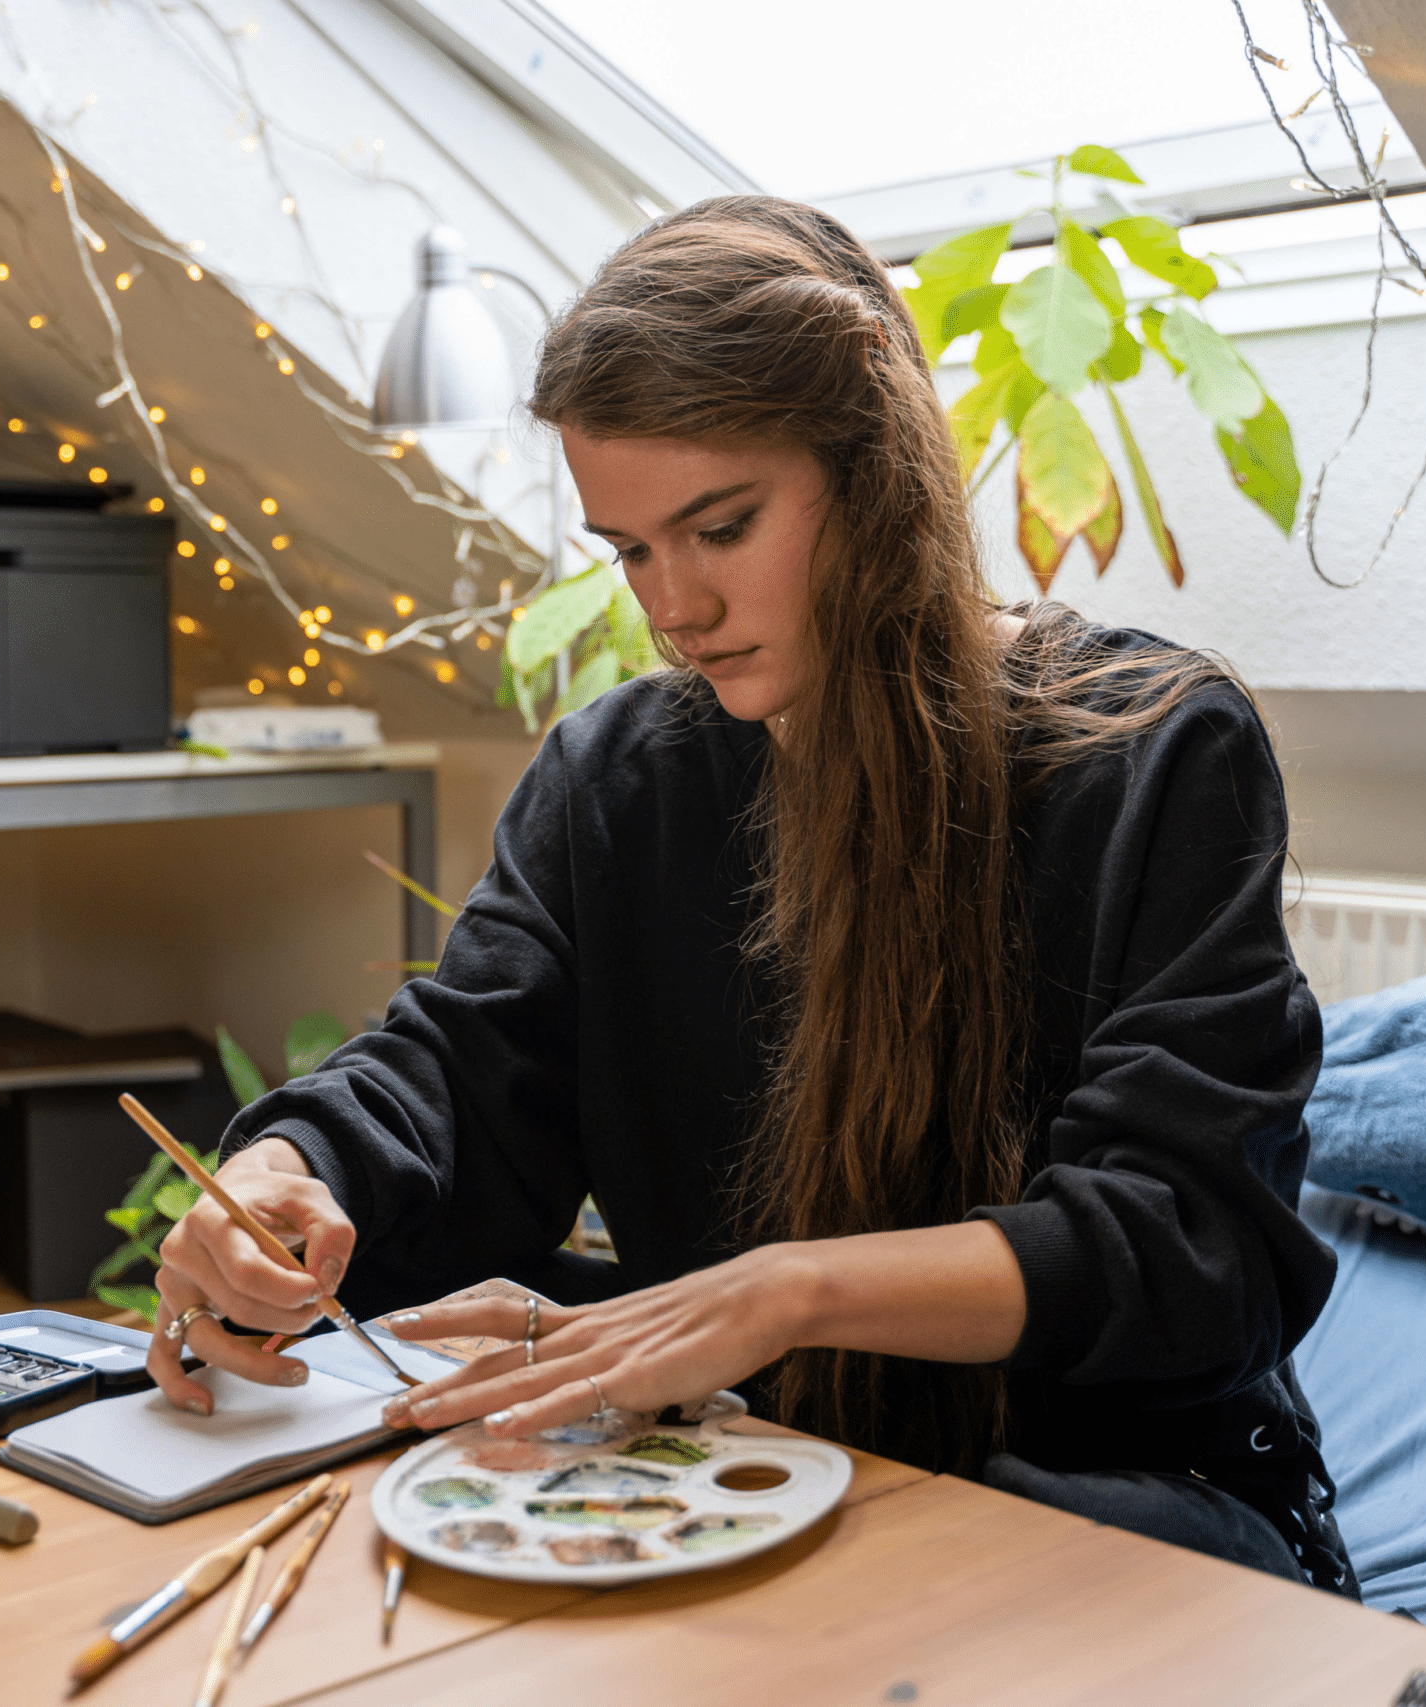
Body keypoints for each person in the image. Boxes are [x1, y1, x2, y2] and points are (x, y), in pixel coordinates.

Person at [145, 195, 1356, 1595]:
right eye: (631, 549)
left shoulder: (1152, 749)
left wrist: (792, 1290)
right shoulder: (617, 780)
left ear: (877, 463)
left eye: (720, 526)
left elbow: (1189, 1245)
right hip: (768, 1466)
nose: (675, 606)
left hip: (1133, 1496)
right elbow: (463, 1074)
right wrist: (290, 1172)